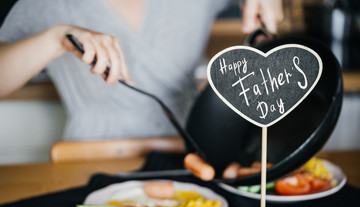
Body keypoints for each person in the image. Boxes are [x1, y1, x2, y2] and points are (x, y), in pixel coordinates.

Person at [0, 0, 283, 142]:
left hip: (192, 152)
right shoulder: (43, 4)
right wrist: (56, 39)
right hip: (87, 159)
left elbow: (259, 23)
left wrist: (262, 34)